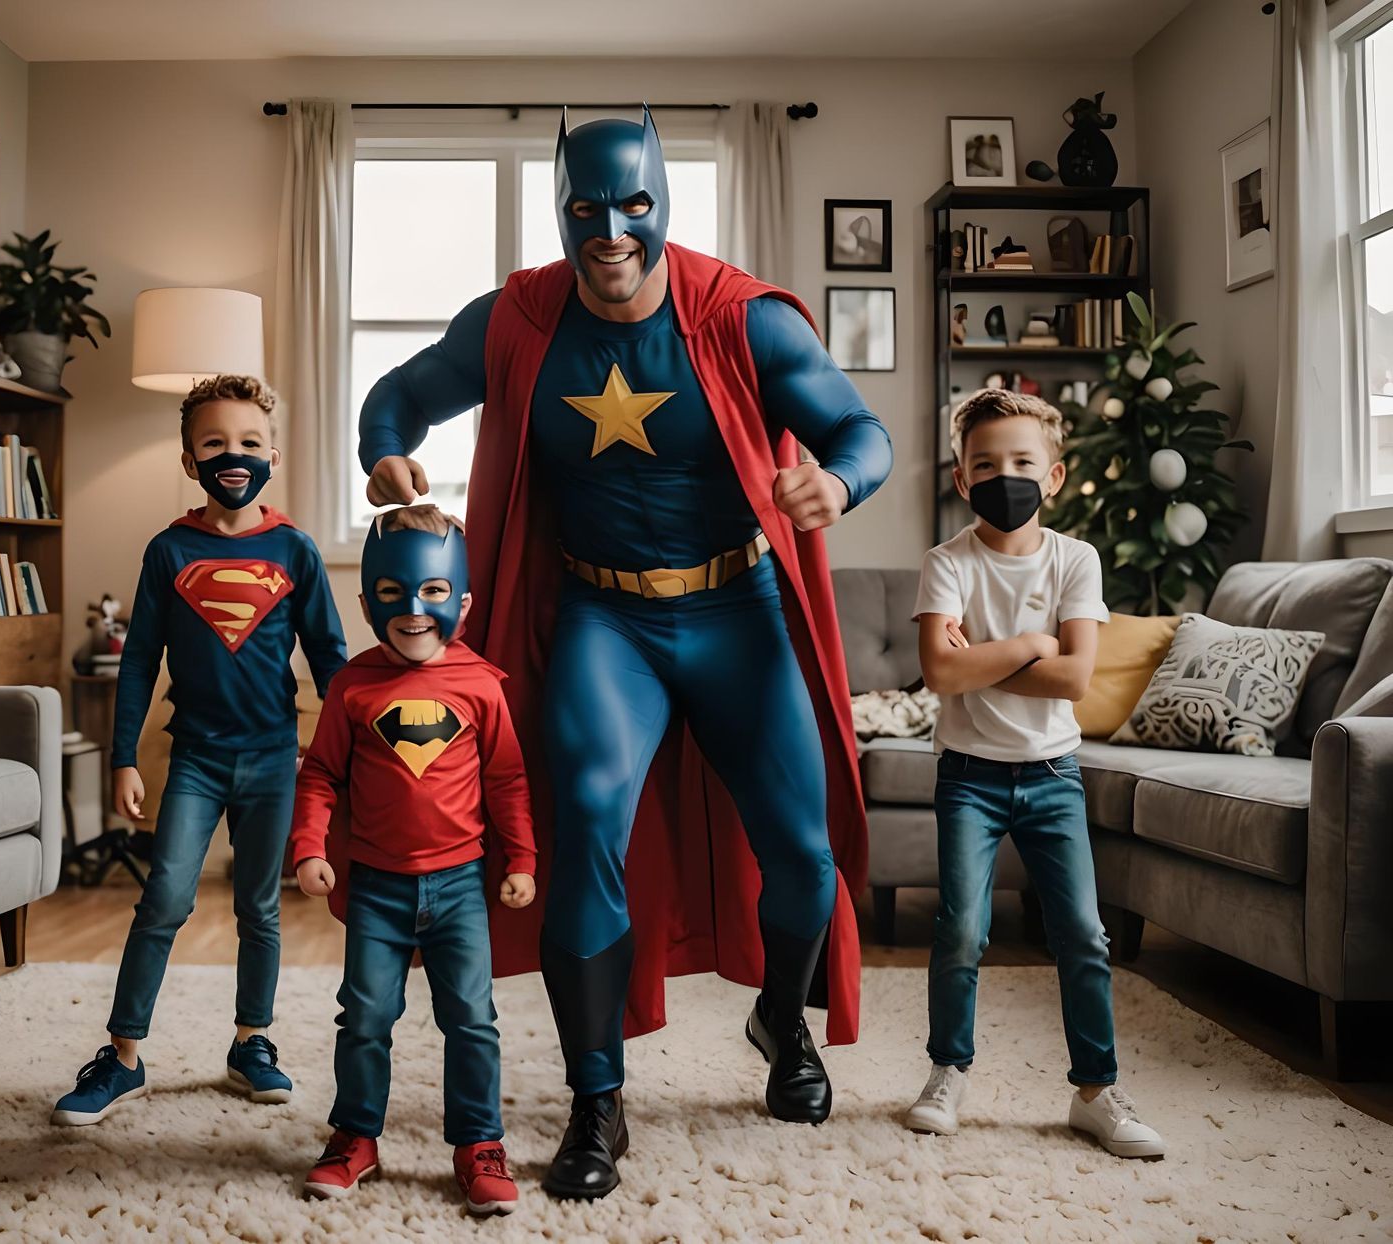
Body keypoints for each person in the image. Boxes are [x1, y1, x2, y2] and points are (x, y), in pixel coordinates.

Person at [358, 108, 893, 1199]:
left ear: (663, 202)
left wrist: (836, 483)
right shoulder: (518, 318)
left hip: (736, 606)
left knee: (802, 852)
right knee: (586, 827)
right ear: (561, 212)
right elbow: (399, 397)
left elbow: (861, 431)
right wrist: (384, 454)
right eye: (586, 209)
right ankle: (595, 1098)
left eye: (634, 205)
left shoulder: (738, 316)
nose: (610, 232)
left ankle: (781, 1018)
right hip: (606, 620)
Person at [50, 374, 347, 1126]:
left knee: (259, 908)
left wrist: (347, 754)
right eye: (214, 444)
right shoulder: (169, 549)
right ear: (189, 461)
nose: (233, 456)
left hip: (275, 757)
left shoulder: (296, 549)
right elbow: (139, 660)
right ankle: (122, 1057)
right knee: (165, 899)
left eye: (249, 442)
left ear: (273, 455)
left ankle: (252, 1043)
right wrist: (122, 757)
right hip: (196, 760)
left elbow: (331, 658)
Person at [907, 388, 1165, 1159]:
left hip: (1053, 775)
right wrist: (1031, 644)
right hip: (969, 778)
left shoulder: (1074, 560)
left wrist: (982, 659)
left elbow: (1075, 679)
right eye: (985, 464)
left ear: (1054, 476)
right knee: (961, 929)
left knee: (1083, 931)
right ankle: (947, 1072)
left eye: (1022, 462)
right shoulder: (947, 563)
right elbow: (939, 673)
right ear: (962, 479)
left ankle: (1096, 1091)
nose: (1004, 476)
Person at [290, 505, 535, 1217]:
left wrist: (521, 857)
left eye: (433, 592)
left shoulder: (481, 685)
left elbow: (508, 779)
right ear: (369, 603)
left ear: (463, 603)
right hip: (377, 888)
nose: (414, 611)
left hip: (459, 885)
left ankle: (479, 1143)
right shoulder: (352, 685)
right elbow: (319, 774)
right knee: (365, 1016)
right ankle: (355, 1136)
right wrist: (308, 846)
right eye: (394, 594)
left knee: (472, 1019)